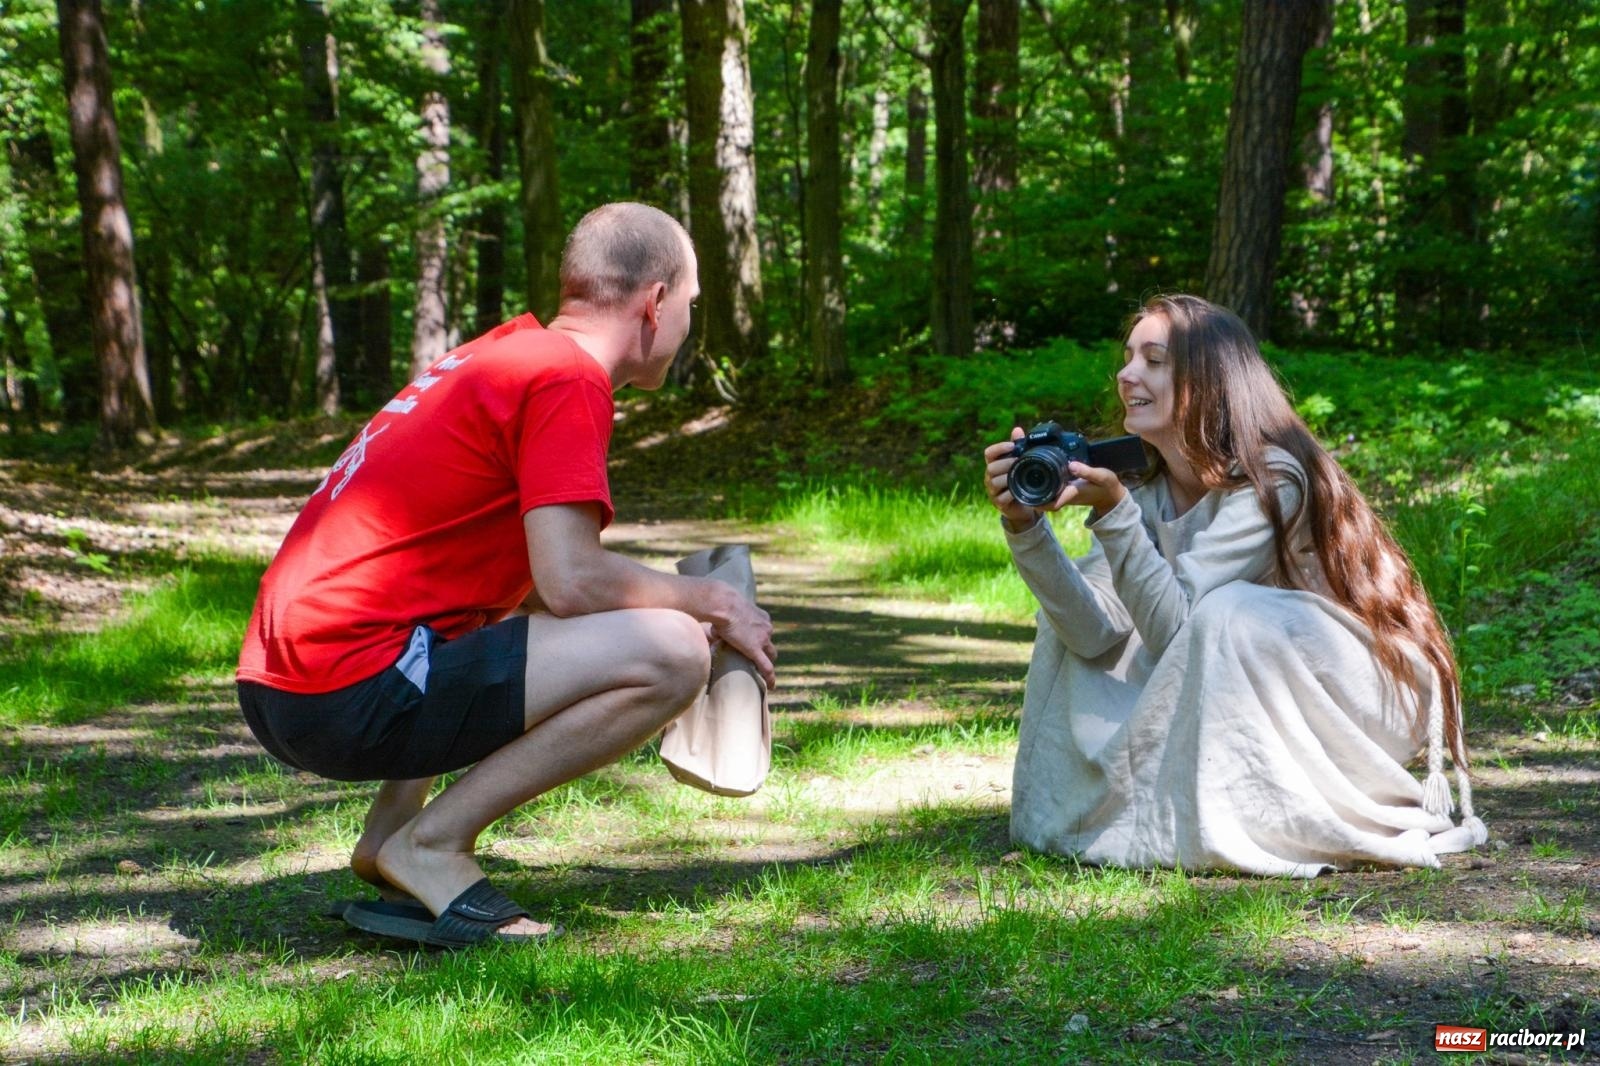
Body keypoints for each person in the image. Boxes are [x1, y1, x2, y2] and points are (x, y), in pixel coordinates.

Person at [237, 202, 777, 945]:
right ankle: (432, 846)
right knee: (671, 651)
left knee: (507, 617)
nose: (687, 323)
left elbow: (525, 587)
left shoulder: (502, 354)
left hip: (287, 685)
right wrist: (707, 602)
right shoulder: (567, 378)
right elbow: (572, 582)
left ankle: (388, 843)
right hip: (344, 689)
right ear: (654, 302)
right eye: (689, 304)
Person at [983, 294, 1486, 877]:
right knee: (1065, 624)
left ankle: (1256, 825)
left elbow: (1180, 626)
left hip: (1364, 692)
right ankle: (1081, 819)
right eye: (1127, 359)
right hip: (1264, 683)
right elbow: (1092, 633)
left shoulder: (1274, 479)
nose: (1126, 375)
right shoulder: (1148, 497)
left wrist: (1115, 512)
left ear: (1207, 381)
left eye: (1153, 360)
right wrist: (1026, 528)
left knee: (1227, 612)